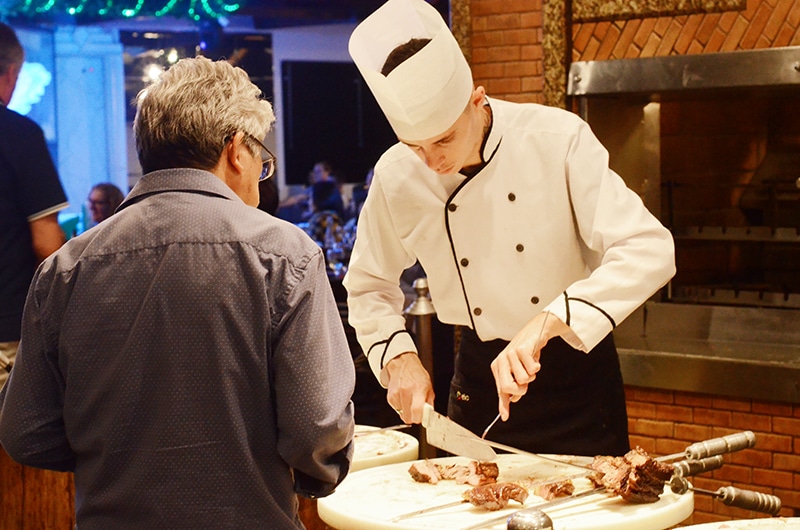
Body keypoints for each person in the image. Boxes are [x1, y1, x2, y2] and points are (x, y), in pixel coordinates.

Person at [0, 56, 355, 529]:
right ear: (235, 150)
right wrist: (319, 473)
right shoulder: (286, 254)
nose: (257, 179)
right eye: (261, 161)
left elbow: (26, 433)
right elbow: (316, 430)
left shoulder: (67, 268)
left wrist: (118, 458)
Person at [343, 0, 676, 457]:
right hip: (479, 386)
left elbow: (649, 248)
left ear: (477, 102)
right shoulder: (397, 174)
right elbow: (367, 286)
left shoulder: (557, 140)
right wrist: (396, 356)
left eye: (443, 139)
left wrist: (547, 321)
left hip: (576, 384)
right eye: (415, 146)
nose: (432, 160)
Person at [0, 22, 68, 389]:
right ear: (11, 72)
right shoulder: (20, 135)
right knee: (11, 443)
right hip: (6, 326)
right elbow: (46, 242)